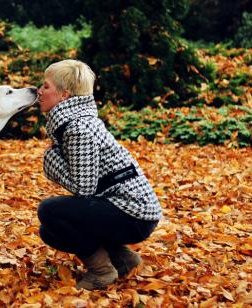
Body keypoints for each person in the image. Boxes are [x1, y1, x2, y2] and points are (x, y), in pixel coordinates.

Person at [37, 59, 162, 290]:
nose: (39, 91)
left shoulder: (77, 128)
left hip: (134, 213)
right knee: (49, 230)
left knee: (49, 211)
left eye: (45, 86)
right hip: (128, 208)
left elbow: (84, 188)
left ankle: (101, 272)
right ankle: (124, 260)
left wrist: (51, 163)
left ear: (64, 95)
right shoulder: (74, 122)